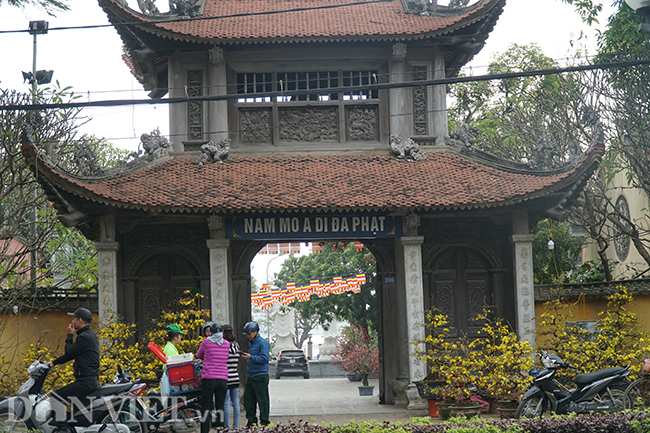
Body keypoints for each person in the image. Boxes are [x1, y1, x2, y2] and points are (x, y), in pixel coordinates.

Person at [47, 307, 99, 422]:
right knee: (76, 414)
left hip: (85, 382)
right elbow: (70, 355)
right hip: (89, 381)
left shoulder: (85, 337)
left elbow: (69, 352)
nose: (72, 322)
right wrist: (53, 363)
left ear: (80, 320)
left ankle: (60, 426)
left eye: (74, 319)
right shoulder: (89, 334)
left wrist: (69, 335)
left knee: (55, 397)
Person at [197, 321, 229, 433]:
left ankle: (205, 431)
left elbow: (199, 355)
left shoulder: (206, 342)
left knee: (206, 407)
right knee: (220, 407)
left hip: (209, 378)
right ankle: (220, 430)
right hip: (223, 379)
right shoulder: (226, 344)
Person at [240, 321, 270, 427]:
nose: (248, 336)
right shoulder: (251, 343)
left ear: (256, 331)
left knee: (262, 401)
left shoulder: (263, 343)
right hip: (251, 375)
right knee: (248, 400)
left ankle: (264, 422)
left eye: (249, 333)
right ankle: (252, 421)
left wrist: (250, 357)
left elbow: (265, 359)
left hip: (260, 375)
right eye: (247, 334)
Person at [222, 324, 240, 428]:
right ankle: (236, 426)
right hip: (235, 376)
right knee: (235, 403)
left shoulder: (224, 346)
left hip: (226, 376)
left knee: (226, 403)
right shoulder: (237, 346)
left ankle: (227, 426)